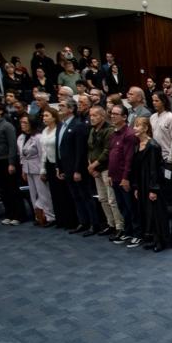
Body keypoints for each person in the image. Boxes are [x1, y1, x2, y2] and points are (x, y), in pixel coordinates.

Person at [57, 99, 100, 235]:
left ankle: (94, 224)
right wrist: (59, 167)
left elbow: (80, 151)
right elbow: (59, 147)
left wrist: (77, 170)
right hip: (66, 167)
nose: (60, 108)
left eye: (62, 105)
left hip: (77, 169)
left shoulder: (78, 125)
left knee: (85, 196)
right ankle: (83, 222)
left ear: (71, 109)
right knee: (76, 197)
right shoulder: (60, 125)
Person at [131, 116, 169, 252]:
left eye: (137, 125)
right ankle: (152, 238)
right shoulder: (137, 145)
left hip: (152, 183)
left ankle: (160, 241)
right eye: (134, 125)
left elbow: (155, 169)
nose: (134, 128)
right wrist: (136, 186)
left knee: (156, 213)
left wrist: (154, 189)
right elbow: (135, 168)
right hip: (142, 183)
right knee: (147, 213)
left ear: (145, 128)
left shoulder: (152, 146)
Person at [108, 104, 140, 245]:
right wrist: (110, 174)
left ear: (124, 117)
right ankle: (128, 231)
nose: (112, 116)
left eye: (116, 114)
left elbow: (129, 158)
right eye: (112, 113)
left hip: (125, 178)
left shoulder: (129, 135)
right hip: (114, 177)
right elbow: (112, 156)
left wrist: (126, 178)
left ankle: (138, 233)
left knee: (131, 207)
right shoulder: (114, 134)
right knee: (122, 206)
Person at [87, 106, 119, 237]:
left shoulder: (109, 130)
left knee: (112, 200)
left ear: (102, 116)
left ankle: (119, 226)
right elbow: (90, 148)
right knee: (103, 199)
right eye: (90, 115)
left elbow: (107, 151)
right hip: (96, 170)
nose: (92, 118)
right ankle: (110, 224)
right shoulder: (92, 130)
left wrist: (94, 165)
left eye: (95, 115)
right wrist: (91, 165)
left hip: (106, 169)